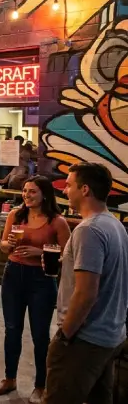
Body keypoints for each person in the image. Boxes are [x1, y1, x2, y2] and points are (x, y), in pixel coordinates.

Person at [45, 162, 128, 404]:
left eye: (69, 185)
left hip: (85, 339)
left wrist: (65, 335)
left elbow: (86, 293)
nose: (64, 190)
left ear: (85, 190)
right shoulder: (115, 225)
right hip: (110, 335)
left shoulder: (88, 230)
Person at [0, 176, 70, 402]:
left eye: (32, 191)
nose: (26, 195)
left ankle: (41, 385)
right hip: (13, 274)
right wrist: (9, 245)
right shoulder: (16, 215)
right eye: (25, 191)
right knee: (12, 329)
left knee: (40, 335)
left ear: (44, 194)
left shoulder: (57, 221)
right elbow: (3, 245)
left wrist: (42, 253)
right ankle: (9, 378)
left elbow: (68, 255)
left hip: (41, 280)